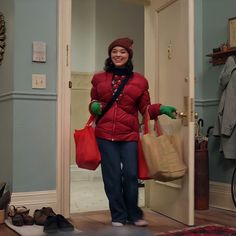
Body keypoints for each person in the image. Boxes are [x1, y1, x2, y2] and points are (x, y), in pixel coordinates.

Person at [88, 37, 176, 227]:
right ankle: (118, 215)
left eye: (123, 52)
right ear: (110, 55)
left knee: (129, 175)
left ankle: (134, 214)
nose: (118, 55)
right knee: (111, 177)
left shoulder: (140, 81)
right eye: (115, 51)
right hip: (105, 135)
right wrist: (94, 106)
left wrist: (161, 109)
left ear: (129, 55)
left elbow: (145, 108)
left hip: (129, 135)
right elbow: (94, 100)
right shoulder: (98, 78)